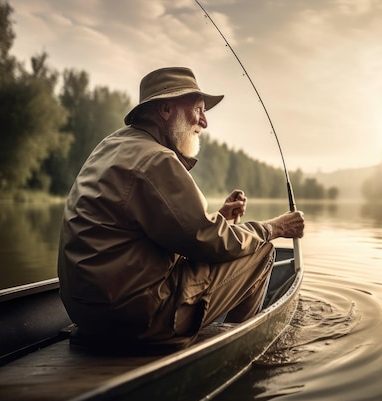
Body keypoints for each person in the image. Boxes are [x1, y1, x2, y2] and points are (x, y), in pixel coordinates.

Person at [57, 67, 305, 348]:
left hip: (90, 317)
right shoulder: (157, 159)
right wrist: (275, 227)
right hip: (137, 319)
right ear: (165, 109)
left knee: (236, 246)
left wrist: (220, 217)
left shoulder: (111, 146)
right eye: (198, 109)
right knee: (261, 250)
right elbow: (211, 241)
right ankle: (236, 347)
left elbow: (155, 230)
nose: (204, 122)